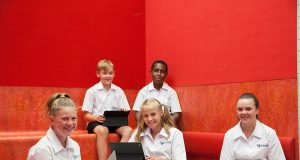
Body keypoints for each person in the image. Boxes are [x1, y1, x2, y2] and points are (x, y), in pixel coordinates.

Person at [82, 59, 132, 160]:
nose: (108, 76)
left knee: (128, 130)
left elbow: (126, 110)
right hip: (96, 122)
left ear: (114, 74)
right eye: (104, 73)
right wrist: (95, 118)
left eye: (110, 73)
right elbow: (85, 115)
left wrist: (122, 111)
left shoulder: (119, 91)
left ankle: (114, 158)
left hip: (114, 122)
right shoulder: (92, 91)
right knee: (103, 130)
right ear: (98, 74)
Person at [220, 93, 286, 159]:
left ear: (257, 110)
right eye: (240, 109)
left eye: (248, 109)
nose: (243, 112)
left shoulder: (269, 134)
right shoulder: (229, 135)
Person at [27, 93, 81, 160]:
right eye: (65, 119)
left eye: (73, 118)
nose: (70, 123)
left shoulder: (75, 146)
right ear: (52, 120)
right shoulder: (42, 149)